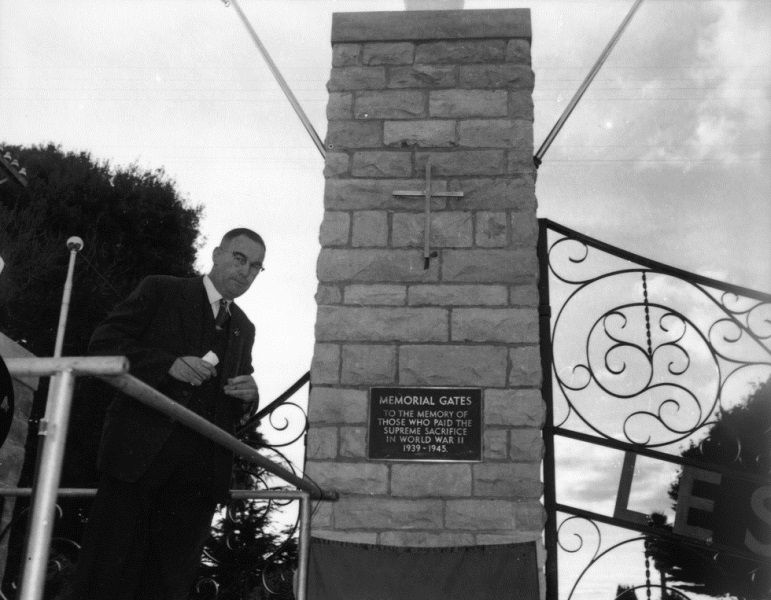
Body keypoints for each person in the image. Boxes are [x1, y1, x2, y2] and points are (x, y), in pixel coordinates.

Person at [68, 228, 266, 600]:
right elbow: (103, 345)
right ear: (217, 253)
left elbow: (236, 404)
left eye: (256, 267)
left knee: (167, 586)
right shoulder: (161, 289)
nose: (246, 272)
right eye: (240, 259)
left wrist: (248, 396)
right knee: (105, 578)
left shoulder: (244, 328)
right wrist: (167, 366)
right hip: (136, 463)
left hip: (199, 481)